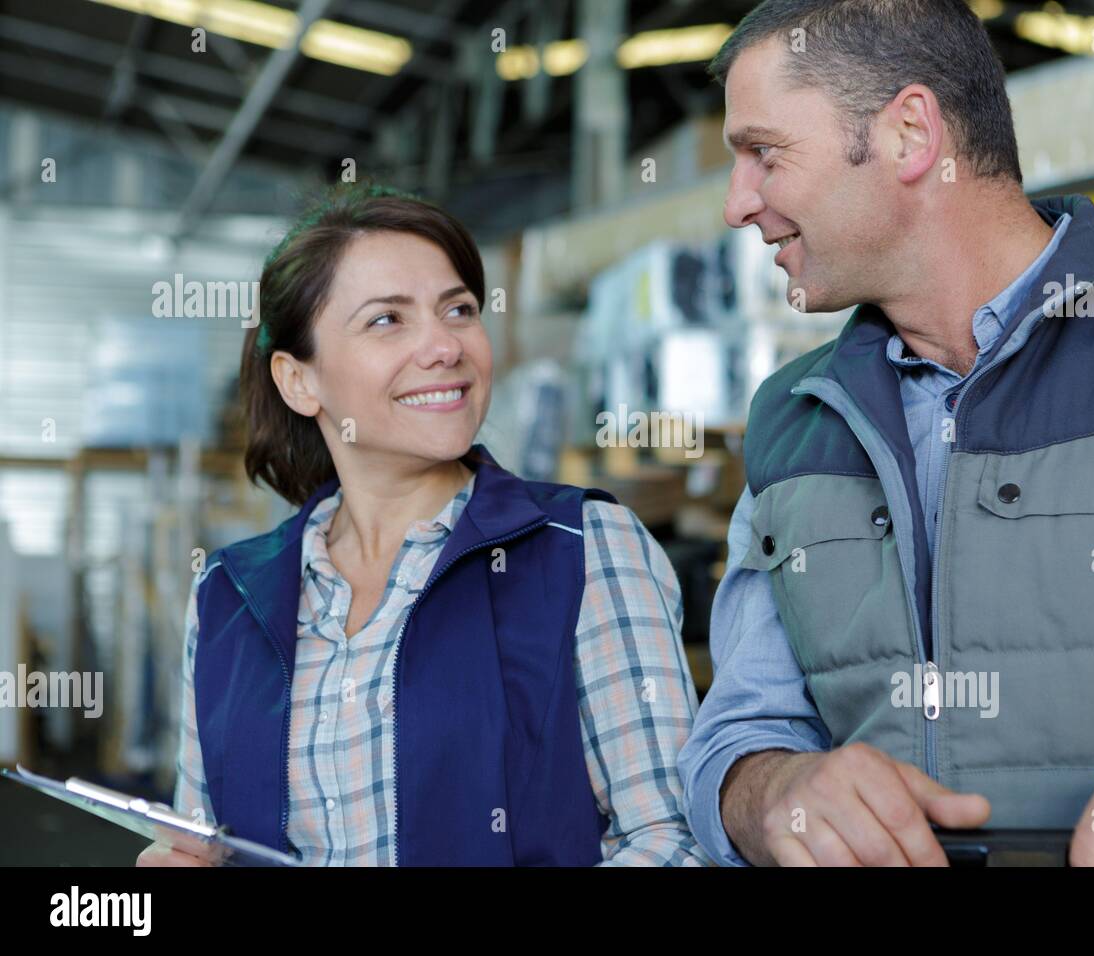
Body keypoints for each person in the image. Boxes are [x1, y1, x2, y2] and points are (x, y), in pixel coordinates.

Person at [678, 0, 1094, 867]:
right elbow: (736, 735)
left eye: (763, 154)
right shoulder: (793, 416)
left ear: (909, 135)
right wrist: (775, 789)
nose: (737, 205)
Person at [139, 184, 710, 866]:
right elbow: (205, 844)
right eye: (387, 320)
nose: (444, 346)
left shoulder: (584, 550)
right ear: (299, 381)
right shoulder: (228, 598)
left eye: (459, 310)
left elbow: (672, 840)